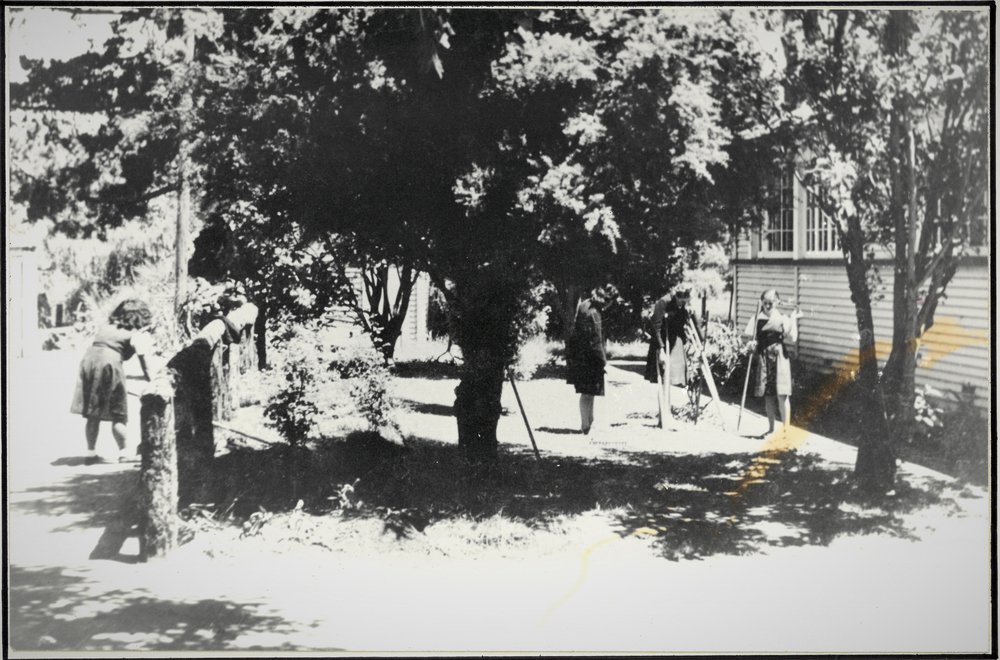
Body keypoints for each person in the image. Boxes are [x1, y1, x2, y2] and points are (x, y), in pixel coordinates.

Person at [70, 298, 155, 464]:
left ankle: (90, 452)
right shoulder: (135, 335)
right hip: (110, 365)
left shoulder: (106, 327)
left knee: (92, 411)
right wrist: (151, 380)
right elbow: (145, 363)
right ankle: (124, 452)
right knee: (118, 412)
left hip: (89, 361)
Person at [742, 289, 802, 438]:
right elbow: (747, 338)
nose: (768, 306)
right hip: (764, 357)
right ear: (761, 302)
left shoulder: (782, 318)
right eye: (765, 303)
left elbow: (793, 337)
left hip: (780, 357)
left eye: (771, 303)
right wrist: (750, 344)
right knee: (768, 395)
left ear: (777, 303)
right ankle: (771, 429)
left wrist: (793, 319)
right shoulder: (756, 318)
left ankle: (786, 432)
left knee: (782, 395)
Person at [566, 286, 613, 434]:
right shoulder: (595, 313)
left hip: (580, 356)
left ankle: (589, 421)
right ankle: (585, 425)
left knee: (588, 391)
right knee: (587, 392)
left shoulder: (585, 304)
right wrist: (603, 361)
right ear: (606, 300)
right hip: (591, 358)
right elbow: (596, 340)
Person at [644, 289, 694, 429]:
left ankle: (668, 415)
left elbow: (681, 323)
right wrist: (660, 349)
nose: (682, 304)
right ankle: (663, 417)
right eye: (680, 301)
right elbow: (656, 326)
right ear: (676, 296)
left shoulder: (683, 304)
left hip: (673, 341)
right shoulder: (663, 302)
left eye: (685, 302)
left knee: (671, 379)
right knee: (662, 377)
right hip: (660, 341)